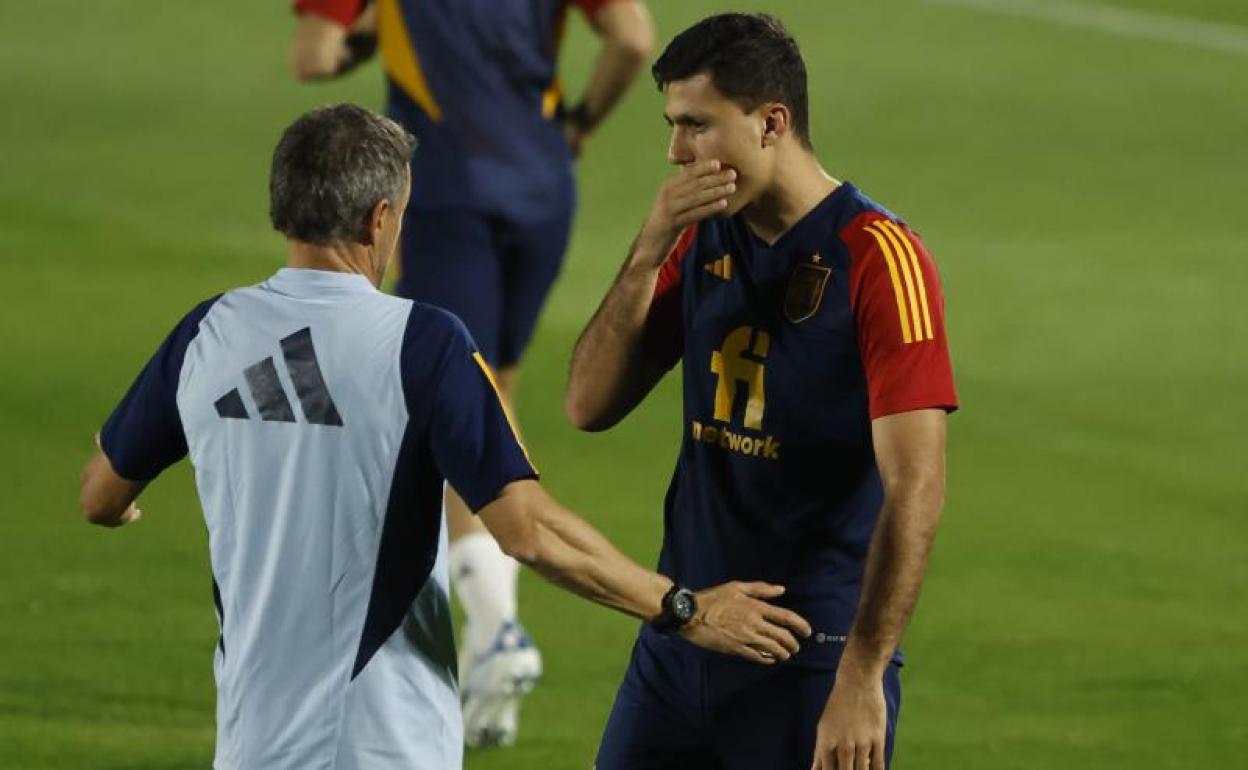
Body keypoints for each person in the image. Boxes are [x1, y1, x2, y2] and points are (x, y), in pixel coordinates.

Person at [78, 104, 811, 770]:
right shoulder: (419, 344)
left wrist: (124, 509)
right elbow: (526, 532)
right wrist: (684, 608)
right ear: (379, 218)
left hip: (251, 743)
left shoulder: (205, 335)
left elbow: (101, 492)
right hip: (382, 743)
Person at [566, 13, 959, 770]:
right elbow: (587, 406)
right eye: (672, 125)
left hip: (810, 664)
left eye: (696, 126)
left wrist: (862, 675)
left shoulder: (880, 261)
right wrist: (648, 251)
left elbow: (917, 486)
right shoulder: (703, 234)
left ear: (772, 122)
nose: (676, 152)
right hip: (682, 640)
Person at [287, 0, 655, 745]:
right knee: (496, 387)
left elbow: (314, 58)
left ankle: (495, 630)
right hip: (544, 180)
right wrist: (579, 121)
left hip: (448, 183)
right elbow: (633, 38)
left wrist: (368, 36)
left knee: (450, 403)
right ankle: (490, 663)